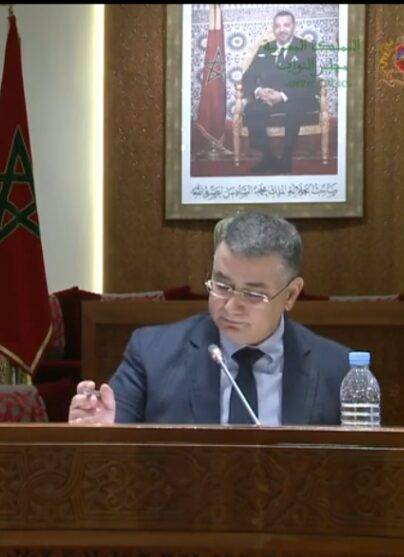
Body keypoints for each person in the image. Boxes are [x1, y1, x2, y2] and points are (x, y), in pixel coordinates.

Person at [69, 212, 350, 426]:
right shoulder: (151, 354)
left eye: (253, 294)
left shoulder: (338, 371)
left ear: (290, 295)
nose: (231, 306)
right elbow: (111, 446)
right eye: (222, 285)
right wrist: (99, 431)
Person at [240, 10, 319, 174]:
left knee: (294, 109)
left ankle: (286, 158)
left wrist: (282, 96)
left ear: (294, 27)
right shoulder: (265, 48)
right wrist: (259, 91)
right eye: (277, 26)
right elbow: (247, 77)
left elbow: (308, 80)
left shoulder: (306, 48)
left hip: (295, 97)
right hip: (268, 97)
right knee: (252, 109)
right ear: (273, 28)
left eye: (286, 25)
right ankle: (267, 156)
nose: (281, 29)